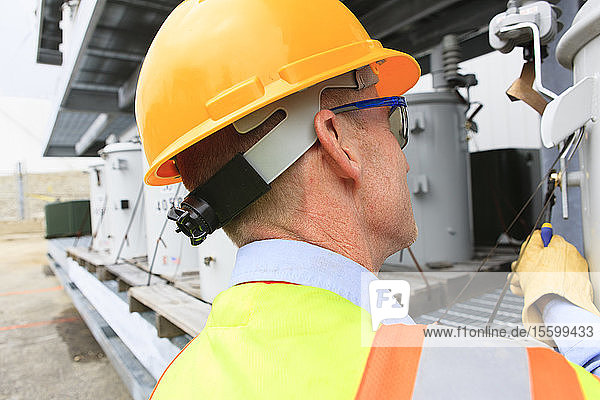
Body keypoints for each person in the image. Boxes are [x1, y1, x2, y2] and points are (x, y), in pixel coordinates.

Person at [135, 0, 600, 398]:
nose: (406, 162)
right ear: (337, 141)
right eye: (394, 120)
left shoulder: (176, 383)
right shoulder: (462, 380)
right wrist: (560, 304)